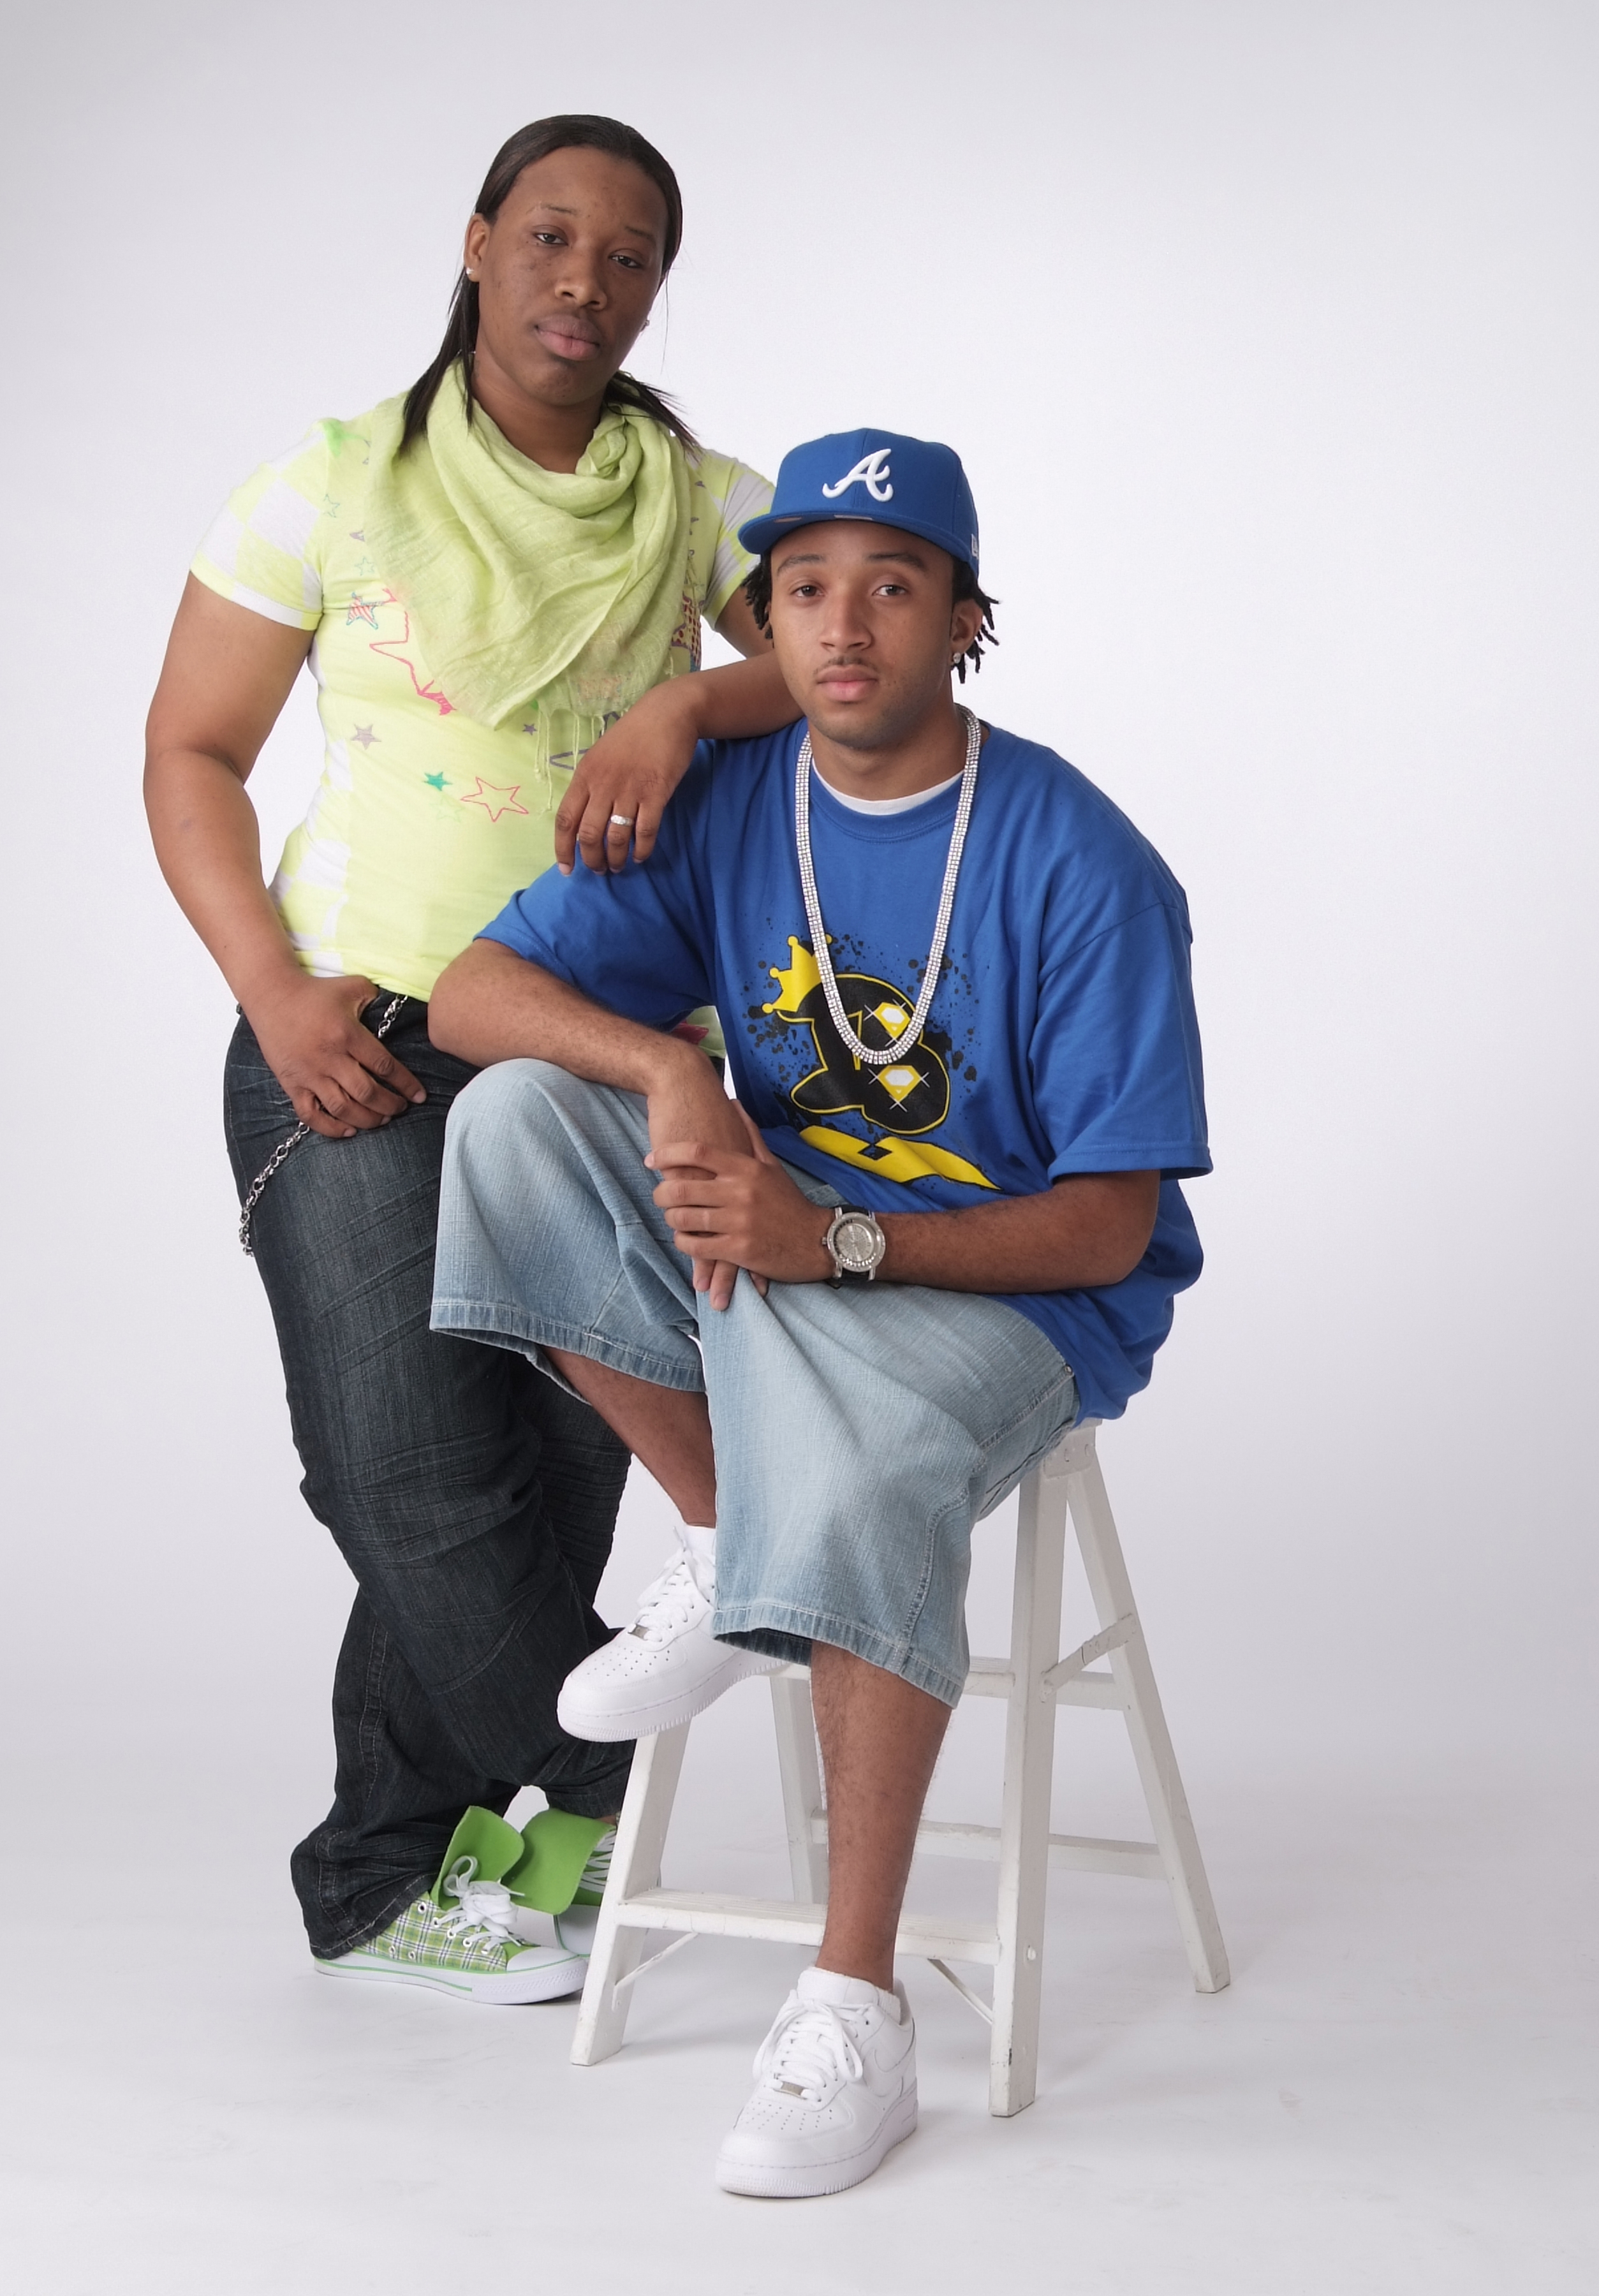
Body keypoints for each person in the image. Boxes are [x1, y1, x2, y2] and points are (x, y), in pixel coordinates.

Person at [426, 427, 1210, 2189]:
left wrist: (838, 1245)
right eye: (804, 589)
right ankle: (731, 1537)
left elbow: (1109, 1224)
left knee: (854, 1460)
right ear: (764, 622)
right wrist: (669, 1071)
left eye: (893, 587)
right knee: (519, 1118)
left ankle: (855, 2005)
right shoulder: (731, 800)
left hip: (1003, 1288)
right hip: (770, 1239)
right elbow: (474, 994)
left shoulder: (1080, 860)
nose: (844, 626)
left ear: (967, 622)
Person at [143, 115, 800, 2003]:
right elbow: (190, 752)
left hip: (599, 1050)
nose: (586, 281)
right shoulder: (332, 486)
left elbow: (862, 654)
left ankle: (391, 1874)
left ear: (659, 286)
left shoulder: (699, 505)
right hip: (351, 1034)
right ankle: (608, 1770)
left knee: (546, 1477)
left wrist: (689, 700)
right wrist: (273, 989)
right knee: (405, 1478)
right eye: (551, 236)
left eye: (631, 253)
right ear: (480, 240)